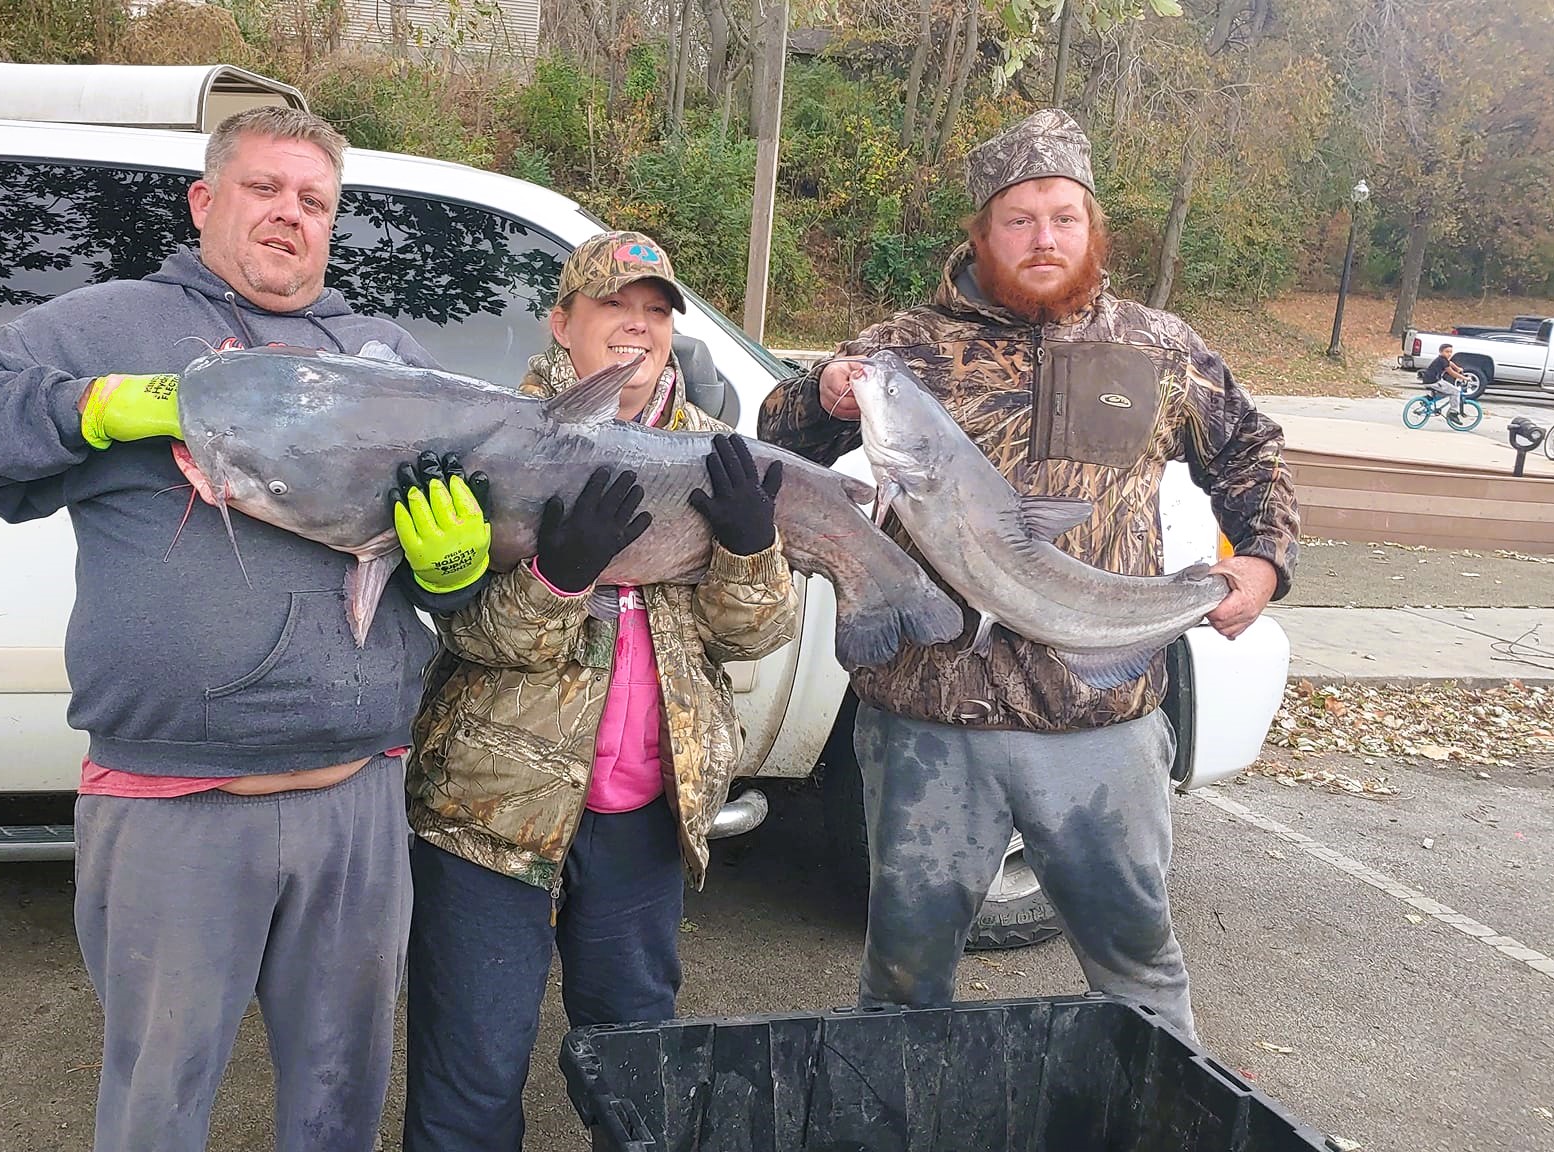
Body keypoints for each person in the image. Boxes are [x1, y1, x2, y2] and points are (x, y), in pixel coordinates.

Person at [0, 106, 492, 1152]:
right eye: (265, 189)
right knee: (157, 1101)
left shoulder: (381, 355)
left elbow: (438, 568)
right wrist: (99, 406)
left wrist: (454, 573)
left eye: (313, 201)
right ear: (206, 201)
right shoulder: (117, 322)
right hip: (173, 805)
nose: (288, 215)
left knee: (340, 1100)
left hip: (353, 801)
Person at [756, 109, 1299, 1038]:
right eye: (1019, 218)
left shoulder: (1161, 348)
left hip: (1103, 722)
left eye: (1064, 217)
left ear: (1093, 229)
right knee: (904, 977)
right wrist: (822, 390)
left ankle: (1151, 1119)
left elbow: (1252, 455)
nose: (1043, 238)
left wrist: (1261, 561)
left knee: (1137, 970)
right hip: (929, 723)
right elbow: (779, 435)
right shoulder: (905, 347)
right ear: (981, 233)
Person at [400, 232, 802, 1152]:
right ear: (562, 321)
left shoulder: (715, 454)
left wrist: (748, 546)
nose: (639, 326)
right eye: (616, 306)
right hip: (492, 816)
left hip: (645, 819)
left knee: (634, 1068)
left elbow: (757, 633)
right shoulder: (498, 438)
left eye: (657, 311)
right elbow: (462, 632)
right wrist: (559, 576)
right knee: (471, 1076)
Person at [1419, 342, 1474, 417]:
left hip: (1430, 380)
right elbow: (1451, 373)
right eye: (1447, 352)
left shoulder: (1442, 359)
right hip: (1434, 381)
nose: (1449, 354)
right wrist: (1465, 378)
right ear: (1441, 352)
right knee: (1456, 391)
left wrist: (1457, 368)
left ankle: (1428, 399)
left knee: (1448, 390)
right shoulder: (1443, 361)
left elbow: (1450, 363)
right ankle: (1453, 412)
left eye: (1451, 352)